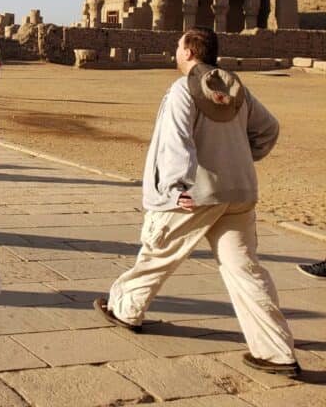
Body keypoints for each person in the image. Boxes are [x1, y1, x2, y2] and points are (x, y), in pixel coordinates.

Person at [96, 27, 300, 379]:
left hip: (194, 195)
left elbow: (175, 141)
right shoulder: (236, 89)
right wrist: (239, 157)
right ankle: (276, 351)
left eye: (178, 46)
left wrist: (175, 186)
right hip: (237, 193)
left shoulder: (182, 90)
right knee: (245, 270)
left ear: (189, 52)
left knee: (158, 252)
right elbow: (269, 128)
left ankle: (125, 308)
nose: (175, 51)